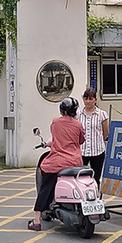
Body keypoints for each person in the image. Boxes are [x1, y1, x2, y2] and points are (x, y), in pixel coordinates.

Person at [29, 96, 85, 231]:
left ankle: (37, 219)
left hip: (58, 161)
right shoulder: (78, 124)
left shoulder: (55, 122)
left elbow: (55, 137)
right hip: (75, 162)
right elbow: (81, 140)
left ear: (62, 110)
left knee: (46, 184)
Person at [78, 87, 109, 185]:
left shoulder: (102, 114)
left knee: (96, 178)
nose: (88, 101)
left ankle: (95, 198)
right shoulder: (77, 114)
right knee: (80, 178)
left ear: (95, 100)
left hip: (97, 151)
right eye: (86, 99)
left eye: (91, 99)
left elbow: (105, 133)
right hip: (82, 151)